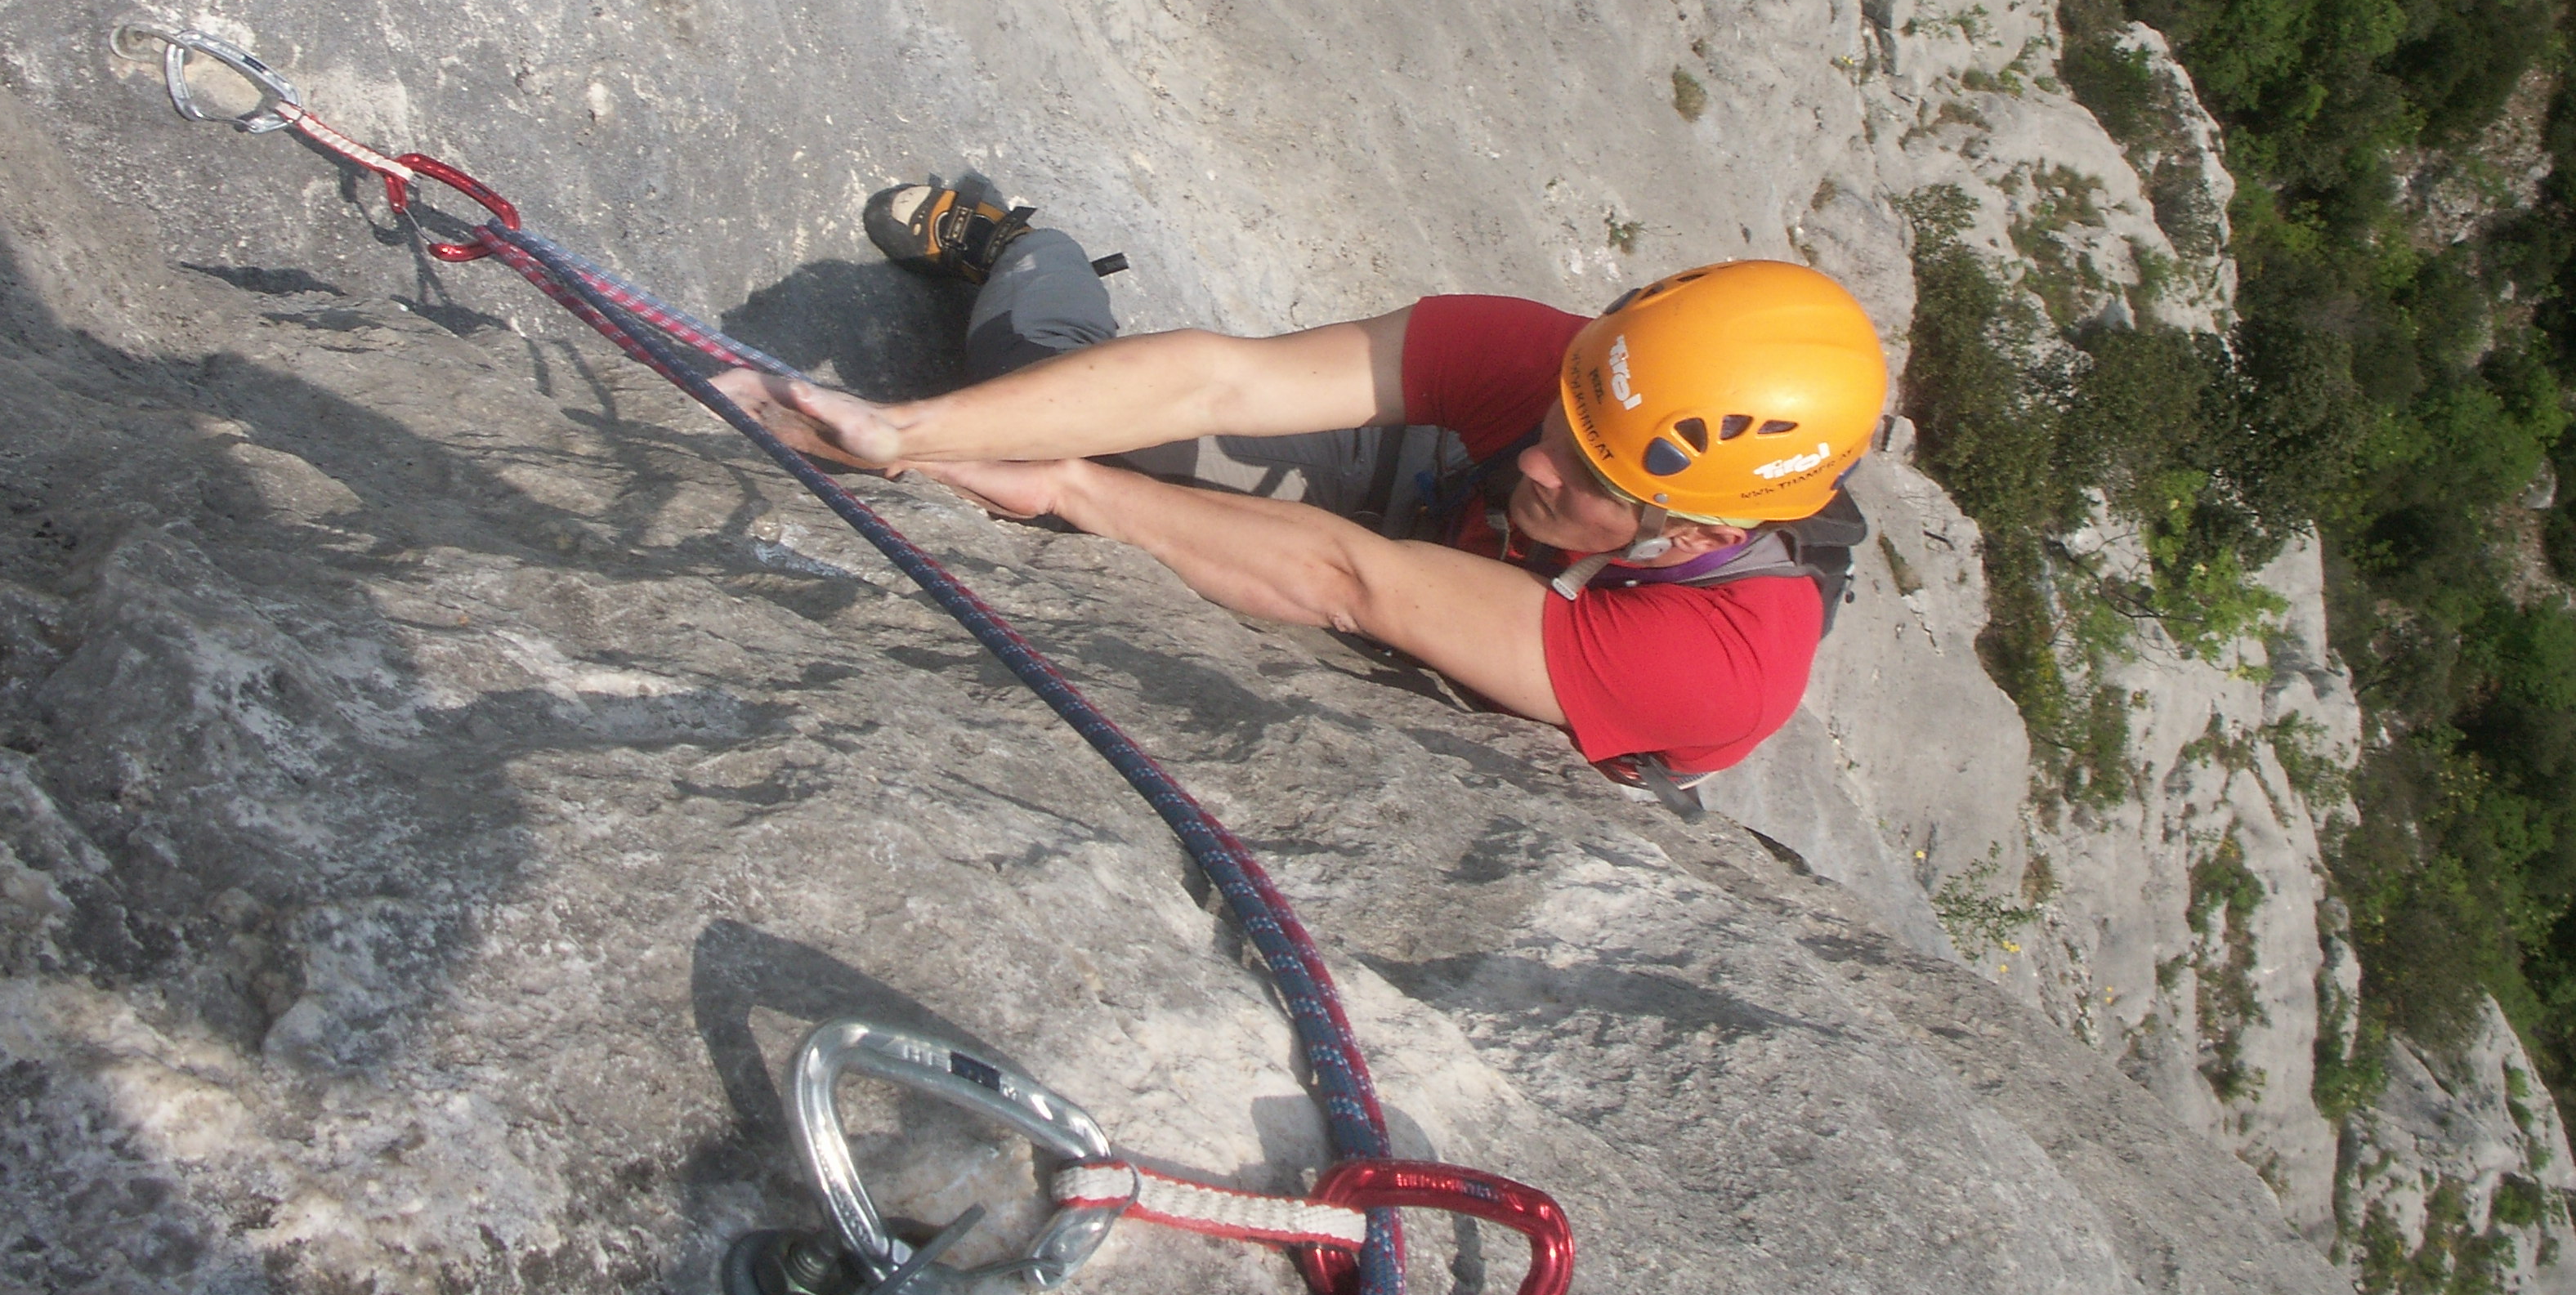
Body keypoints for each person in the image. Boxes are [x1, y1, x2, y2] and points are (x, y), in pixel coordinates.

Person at [714, 182, 1890, 780]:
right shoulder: (1568, 367)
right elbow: (1221, 384)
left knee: (1058, 457)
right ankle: (1028, 248)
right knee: (1033, 378)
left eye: (1592, 472)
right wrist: (909, 433)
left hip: (1441, 589)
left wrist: (1066, 487)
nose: (1541, 454)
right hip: (1421, 493)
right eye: (1562, 419)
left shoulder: (1722, 663)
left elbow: (1350, 583)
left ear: (1691, 537)